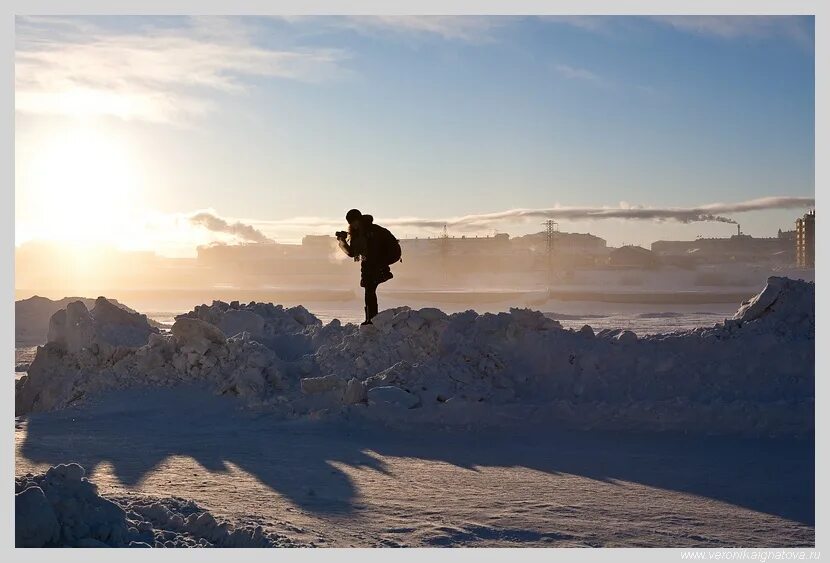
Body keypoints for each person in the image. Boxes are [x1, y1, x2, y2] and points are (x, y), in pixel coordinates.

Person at [336, 209, 395, 325]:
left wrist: (342, 241)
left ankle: (371, 319)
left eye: (355, 221)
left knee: (369, 291)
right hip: (370, 266)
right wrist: (343, 240)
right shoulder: (360, 233)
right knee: (369, 291)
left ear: (359, 219)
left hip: (376, 266)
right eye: (351, 223)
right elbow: (354, 252)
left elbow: (357, 252)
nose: (353, 225)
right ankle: (371, 319)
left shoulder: (370, 232)